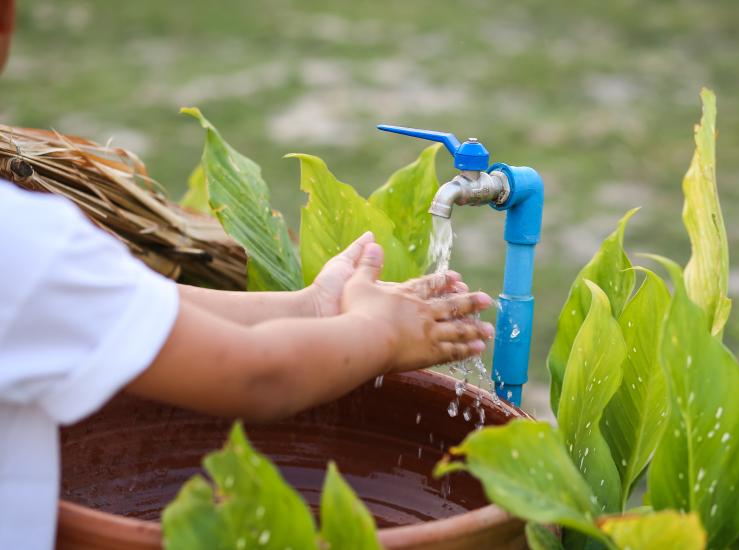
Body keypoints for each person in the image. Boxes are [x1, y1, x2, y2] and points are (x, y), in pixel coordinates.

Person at [0, 8, 494, 547]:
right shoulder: (23, 245)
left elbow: (144, 308)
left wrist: (311, 308)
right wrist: (380, 334)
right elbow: (258, 376)